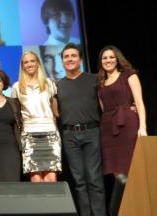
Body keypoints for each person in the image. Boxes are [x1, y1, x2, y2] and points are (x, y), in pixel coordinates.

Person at [56, 43, 105, 216]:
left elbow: (106, 104)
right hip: (69, 135)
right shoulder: (58, 85)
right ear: (62, 62)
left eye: (73, 56)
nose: (69, 59)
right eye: (66, 57)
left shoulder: (94, 79)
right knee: (79, 181)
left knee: (94, 179)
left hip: (91, 132)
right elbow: (56, 112)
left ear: (80, 59)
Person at [11, 51, 61, 182]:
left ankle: (53, 204)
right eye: (26, 62)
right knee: (36, 177)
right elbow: (15, 114)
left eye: (32, 61)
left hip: (50, 132)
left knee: (51, 177)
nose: (29, 64)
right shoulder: (16, 87)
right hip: (29, 134)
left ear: (38, 63)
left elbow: (56, 111)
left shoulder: (49, 84)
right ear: (22, 66)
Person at [97, 45, 147, 176]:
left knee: (133, 166)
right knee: (116, 171)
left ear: (117, 59)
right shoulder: (100, 82)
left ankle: (137, 196)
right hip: (108, 128)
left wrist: (142, 127)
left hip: (128, 125)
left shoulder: (129, 75)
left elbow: (139, 103)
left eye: (112, 57)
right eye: (105, 58)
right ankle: (125, 197)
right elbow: (103, 108)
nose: (108, 60)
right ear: (101, 61)